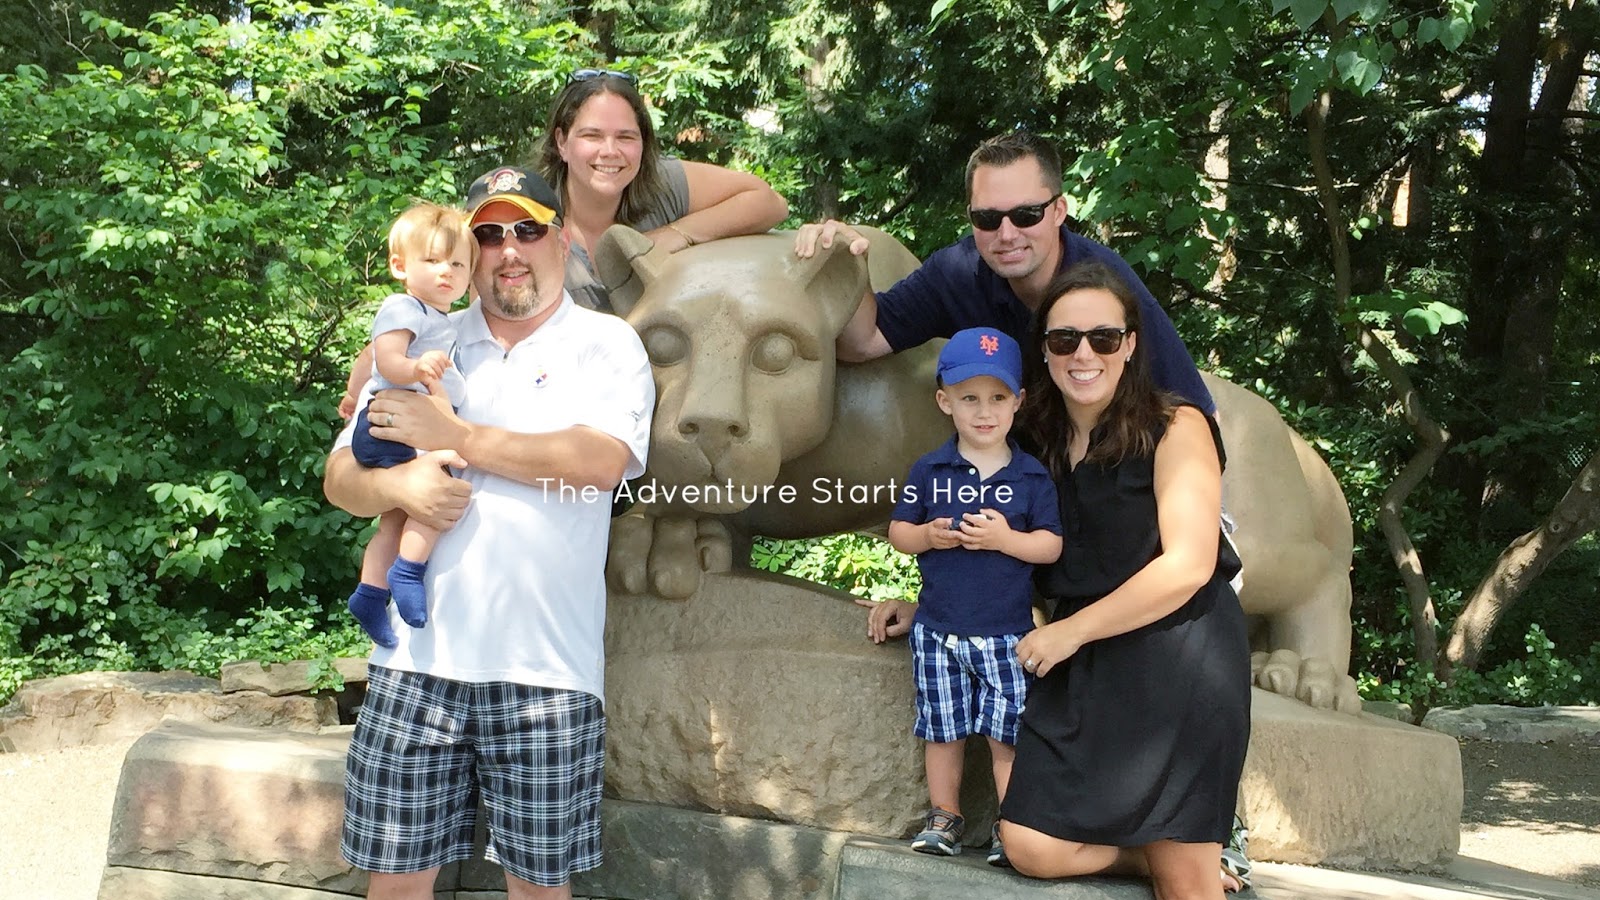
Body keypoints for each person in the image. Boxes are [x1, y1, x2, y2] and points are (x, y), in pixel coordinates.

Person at [301, 165, 655, 900]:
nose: (506, 252)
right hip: (416, 662)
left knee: (540, 879)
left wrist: (460, 437)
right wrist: (401, 486)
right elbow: (341, 475)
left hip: (548, 670)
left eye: (526, 231)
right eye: (488, 234)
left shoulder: (606, 345)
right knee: (394, 871)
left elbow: (599, 463)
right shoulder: (423, 338)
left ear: (562, 240)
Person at [1005, 260, 1250, 900]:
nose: (1084, 354)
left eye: (1103, 337)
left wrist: (1069, 634)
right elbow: (1005, 555)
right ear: (1044, 349)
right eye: (1064, 338)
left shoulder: (1176, 425)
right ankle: (1171, 844)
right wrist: (930, 605)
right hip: (1087, 660)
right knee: (1029, 842)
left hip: (1178, 657)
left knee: (1187, 895)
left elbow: (1188, 564)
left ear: (1131, 344)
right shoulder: (1030, 439)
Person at [794, 131, 1213, 415]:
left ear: (1059, 211)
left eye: (1027, 214)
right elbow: (862, 342)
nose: (1007, 234)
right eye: (988, 218)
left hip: (1112, 471)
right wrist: (843, 264)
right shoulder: (956, 273)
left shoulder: (1108, 284)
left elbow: (1191, 410)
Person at [887, 327, 1061, 856]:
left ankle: (1012, 826)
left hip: (1006, 633)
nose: (984, 412)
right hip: (938, 630)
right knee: (942, 730)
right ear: (945, 402)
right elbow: (898, 532)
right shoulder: (930, 469)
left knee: (1006, 735)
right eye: (969, 399)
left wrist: (1006, 540)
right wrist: (926, 536)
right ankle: (945, 817)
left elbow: (1051, 546)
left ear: (1018, 401)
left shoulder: (1031, 477)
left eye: (997, 398)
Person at [535, 67, 790, 310]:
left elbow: (770, 203)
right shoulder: (529, 206)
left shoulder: (664, 183)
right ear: (562, 142)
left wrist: (678, 233)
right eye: (592, 136)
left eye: (626, 137)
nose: (610, 151)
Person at [344, 203, 475, 646]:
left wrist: (350, 394)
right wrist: (416, 369)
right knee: (438, 495)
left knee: (393, 521)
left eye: (458, 264)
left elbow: (365, 358)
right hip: (395, 427)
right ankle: (407, 572)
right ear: (400, 266)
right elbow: (386, 359)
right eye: (433, 260)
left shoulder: (438, 318)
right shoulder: (405, 307)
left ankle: (369, 594)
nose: (447, 272)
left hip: (400, 425)